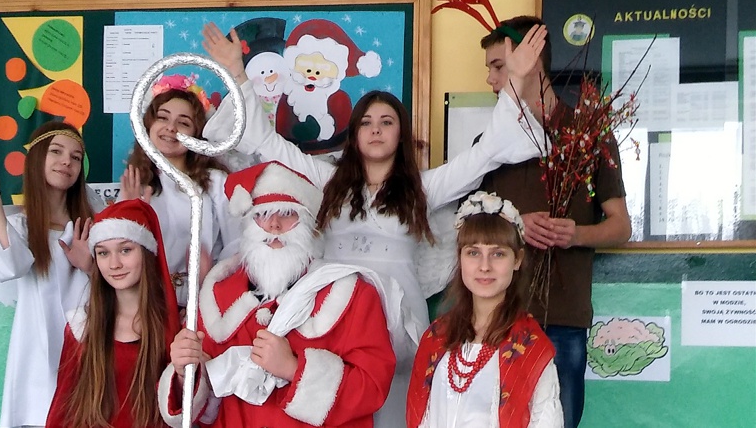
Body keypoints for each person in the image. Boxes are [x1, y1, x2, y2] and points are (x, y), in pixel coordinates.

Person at [199, 21, 549, 427]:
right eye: (366, 122)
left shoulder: (423, 188)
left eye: (386, 121)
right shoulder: (327, 181)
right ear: (354, 134)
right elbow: (268, 145)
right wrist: (238, 73)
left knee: (396, 408)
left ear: (401, 133)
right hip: (336, 315)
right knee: (341, 402)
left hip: (399, 315)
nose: (376, 129)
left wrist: (517, 80)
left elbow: (484, 154)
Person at [477, 16, 632, 428]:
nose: (491, 79)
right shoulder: (488, 144)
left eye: (498, 66)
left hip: (564, 317)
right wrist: (513, 225)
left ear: (530, 62)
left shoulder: (589, 134)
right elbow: (467, 230)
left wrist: (576, 234)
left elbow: (621, 226)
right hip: (498, 316)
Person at [160, 161, 397, 427]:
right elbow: (202, 406)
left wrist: (294, 369)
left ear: (307, 224)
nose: (274, 225)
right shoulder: (216, 299)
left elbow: (372, 387)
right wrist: (185, 374)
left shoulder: (352, 295)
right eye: (263, 214)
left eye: (286, 213)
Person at [0, 121, 95, 427]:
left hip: (88, 348)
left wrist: (88, 265)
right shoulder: (22, 226)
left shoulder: (90, 226)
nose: (66, 162)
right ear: (37, 159)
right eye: (56, 151)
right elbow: (11, 265)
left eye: (75, 157)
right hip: (38, 351)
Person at [407, 191, 563, 427]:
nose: (484, 266)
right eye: (473, 253)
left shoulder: (530, 347)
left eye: (498, 254)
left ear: (517, 260)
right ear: (460, 258)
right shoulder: (436, 337)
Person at [46, 198, 180, 427]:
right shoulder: (82, 327)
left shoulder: (175, 325)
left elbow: (185, 406)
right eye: (103, 253)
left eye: (125, 250)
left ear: (147, 252)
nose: (114, 264)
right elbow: (63, 408)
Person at [119, 73, 239, 310]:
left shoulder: (216, 183)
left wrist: (209, 287)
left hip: (205, 304)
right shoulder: (135, 182)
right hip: (150, 304)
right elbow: (121, 252)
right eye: (162, 117)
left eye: (183, 122)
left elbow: (236, 244)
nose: (171, 128)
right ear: (148, 125)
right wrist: (131, 213)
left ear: (197, 134)